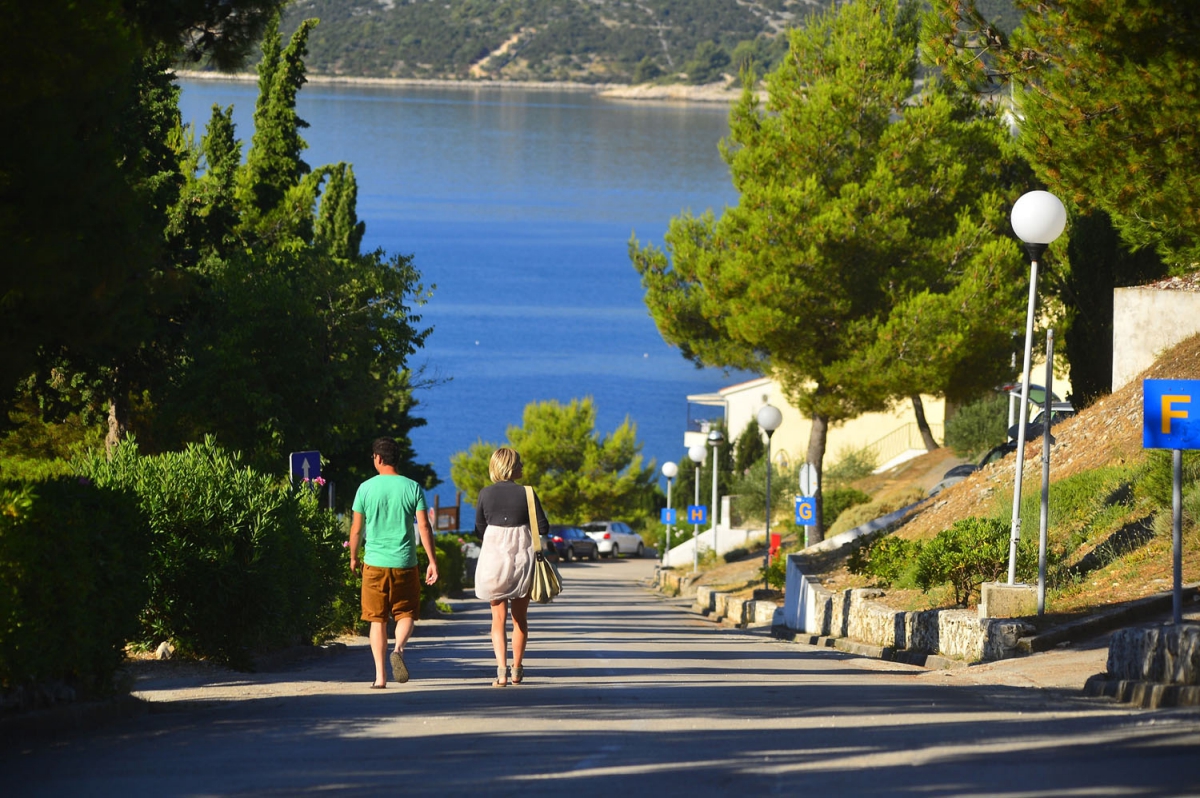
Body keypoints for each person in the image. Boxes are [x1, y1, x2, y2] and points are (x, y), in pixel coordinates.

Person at [349, 437, 439, 689]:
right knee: (406, 613)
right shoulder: (412, 488)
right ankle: (398, 648)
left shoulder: (364, 488)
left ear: (378, 458)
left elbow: (356, 530)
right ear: (397, 459)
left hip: (374, 565)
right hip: (405, 563)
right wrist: (432, 561)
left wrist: (354, 557)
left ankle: (380, 677)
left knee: (377, 620)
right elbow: (424, 526)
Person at [473, 447, 549, 687]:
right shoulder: (527, 493)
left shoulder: (485, 493)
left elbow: (478, 530)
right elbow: (543, 527)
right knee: (520, 619)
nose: (523, 467)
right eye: (519, 463)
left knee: (497, 620)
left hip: (494, 561)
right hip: (522, 560)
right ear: (510, 467)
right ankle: (517, 670)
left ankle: (502, 673)